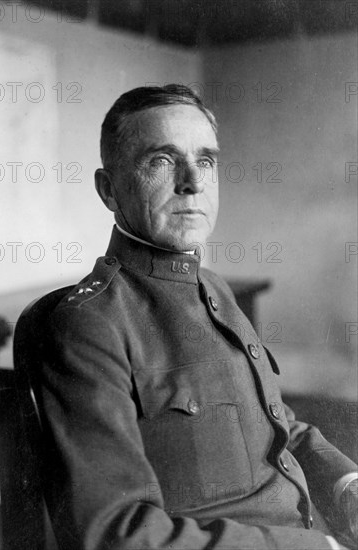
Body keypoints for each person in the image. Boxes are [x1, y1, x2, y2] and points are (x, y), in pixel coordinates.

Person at [38, 85, 357, 549]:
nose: (193, 182)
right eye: (162, 161)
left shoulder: (215, 288)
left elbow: (277, 425)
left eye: (205, 161)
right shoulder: (90, 325)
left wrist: (347, 486)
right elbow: (114, 533)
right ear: (109, 190)